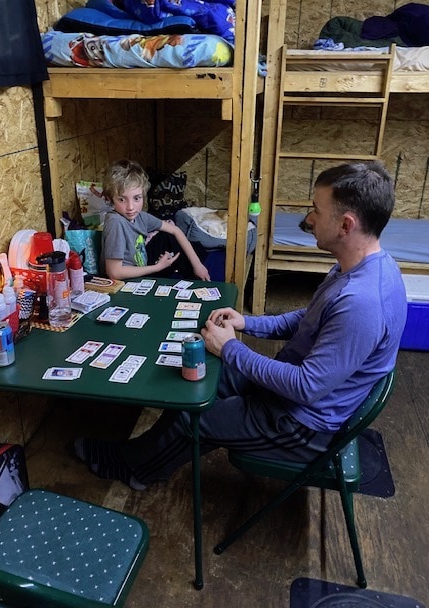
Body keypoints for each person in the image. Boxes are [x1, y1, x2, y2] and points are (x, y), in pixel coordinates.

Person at [74, 161, 407, 490]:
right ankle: (142, 460)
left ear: (346, 225)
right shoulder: (360, 266)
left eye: (317, 210)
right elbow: (309, 319)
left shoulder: (363, 303)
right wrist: (247, 322)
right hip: (292, 396)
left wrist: (230, 347)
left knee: (197, 416)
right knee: (203, 376)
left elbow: (306, 387)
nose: (308, 218)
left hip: (302, 424)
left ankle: (133, 466)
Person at [100, 159, 210, 281]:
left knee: (176, 240)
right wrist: (157, 267)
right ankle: (192, 280)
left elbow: (175, 230)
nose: (130, 207)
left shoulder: (140, 216)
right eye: (122, 200)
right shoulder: (115, 222)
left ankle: (196, 272)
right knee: (184, 254)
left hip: (142, 262)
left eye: (137, 198)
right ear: (111, 199)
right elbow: (114, 273)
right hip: (126, 279)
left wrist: (197, 265)